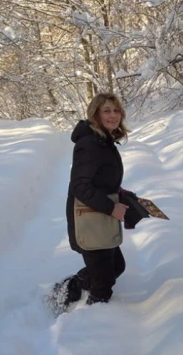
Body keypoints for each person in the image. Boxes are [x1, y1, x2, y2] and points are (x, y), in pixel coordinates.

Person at [54, 92, 130, 310]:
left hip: (98, 216)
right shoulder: (90, 144)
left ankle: (71, 287)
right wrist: (111, 206)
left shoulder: (104, 141)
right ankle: (92, 325)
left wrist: (124, 195)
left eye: (116, 110)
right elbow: (81, 186)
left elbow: (100, 179)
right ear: (95, 114)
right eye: (106, 111)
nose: (113, 115)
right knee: (103, 284)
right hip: (90, 219)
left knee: (116, 266)